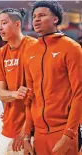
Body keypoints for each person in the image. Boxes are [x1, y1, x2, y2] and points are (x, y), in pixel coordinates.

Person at [23, 1, 82, 155]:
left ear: (55, 19)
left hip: (63, 131)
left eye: (42, 15)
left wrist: (69, 135)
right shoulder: (30, 52)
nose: (36, 19)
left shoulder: (72, 48)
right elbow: (30, 97)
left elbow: (79, 94)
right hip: (39, 135)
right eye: (34, 16)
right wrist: (26, 136)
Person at [0, 8, 37, 155]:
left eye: (4, 23)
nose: (0, 28)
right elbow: (0, 93)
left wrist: (26, 130)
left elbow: (40, 93)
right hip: (9, 126)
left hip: (33, 128)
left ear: (17, 24)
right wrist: (16, 94)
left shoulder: (35, 47)